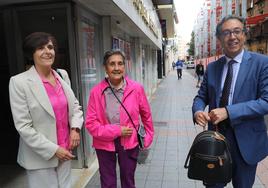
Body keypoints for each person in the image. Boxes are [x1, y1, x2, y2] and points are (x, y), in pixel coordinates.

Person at [192, 15, 268, 188]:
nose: (232, 37)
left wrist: (228, 111)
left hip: (247, 143)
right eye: (226, 33)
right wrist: (198, 111)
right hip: (215, 140)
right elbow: (201, 97)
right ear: (219, 39)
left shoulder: (262, 63)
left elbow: (266, 101)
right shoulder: (213, 67)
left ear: (244, 34)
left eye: (236, 31)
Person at [9, 32, 84, 188]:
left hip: (65, 149)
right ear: (31, 53)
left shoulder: (62, 75)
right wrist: (54, 149)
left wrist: (75, 129)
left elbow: (75, 107)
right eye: (40, 48)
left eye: (50, 47)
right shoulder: (19, 82)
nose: (47, 51)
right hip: (40, 156)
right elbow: (23, 126)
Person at [85, 49, 154, 188]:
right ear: (105, 67)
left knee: (128, 181)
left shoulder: (136, 89)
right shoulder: (96, 92)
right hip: (103, 142)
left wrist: (146, 139)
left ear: (124, 66)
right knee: (108, 182)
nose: (116, 68)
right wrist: (117, 131)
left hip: (129, 141)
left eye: (120, 63)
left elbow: (147, 116)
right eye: (112, 64)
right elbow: (91, 124)